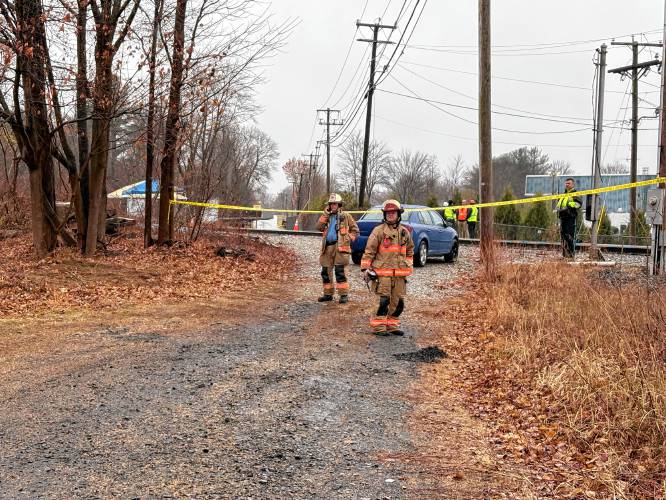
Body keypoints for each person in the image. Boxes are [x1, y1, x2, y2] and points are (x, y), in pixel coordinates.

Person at [360, 199, 415, 336]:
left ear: (398, 214)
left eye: (393, 212)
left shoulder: (405, 232)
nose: (390, 215)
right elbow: (369, 251)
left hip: (400, 276)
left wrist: (408, 264)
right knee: (382, 301)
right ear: (384, 215)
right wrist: (366, 268)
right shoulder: (378, 231)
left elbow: (410, 251)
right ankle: (379, 327)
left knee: (398, 302)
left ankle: (392, 325)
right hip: (382, 276)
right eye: (388, 213)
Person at [316, 193, 360, 303]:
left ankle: (343, 295)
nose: (333, 206)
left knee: (340, 272)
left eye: (335, 204)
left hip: (340, 248)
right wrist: (325, 215)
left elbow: (356, 231)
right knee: (325, 272)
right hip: (327, 247)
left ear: (339, 205)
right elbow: (319, 227)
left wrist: (348, 238)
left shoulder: (346, 216)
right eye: (331, 204)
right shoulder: (327, 216)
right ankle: (328, 294)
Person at [556, 178, 582, 258]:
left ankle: (571, 256)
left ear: (573, 184)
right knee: (563, 237)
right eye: (566, 183)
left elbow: (579, 204)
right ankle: (565, 255)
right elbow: (559, 205)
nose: (567, 185)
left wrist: (570, 204)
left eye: (569, 183)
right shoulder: (563, 195)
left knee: (570, 237)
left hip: (571, 218)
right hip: (562, 218)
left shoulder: (575, 194)